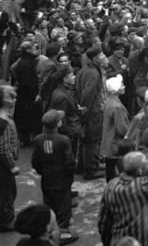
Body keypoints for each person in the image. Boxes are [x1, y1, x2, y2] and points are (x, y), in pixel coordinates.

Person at [31, 109, 78, 245]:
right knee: (64, 205)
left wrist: (43, 172)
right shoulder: (63, 140)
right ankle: (63, 233)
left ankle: (49, 231)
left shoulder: (38, 139)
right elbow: (69, 162)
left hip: (46, 177)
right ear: (58, 124)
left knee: (49, 203)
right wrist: (70, 174)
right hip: (62, 178)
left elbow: (35, 161)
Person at [76, 45, 108, 179]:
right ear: (95, 58)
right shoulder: (93, 73)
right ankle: (90, 169)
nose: (103, 57)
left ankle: (83, 165)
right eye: (101, 55)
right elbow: (87, 94)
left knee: (86, 140)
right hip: (92, 112)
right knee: (91, 140)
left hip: (88, 110)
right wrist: (85, 112)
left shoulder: (85, 69)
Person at [101, 75, 130, 181]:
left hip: (108, 141)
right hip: (115, 143)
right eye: (122, 85)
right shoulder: (117, 107)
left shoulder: (108, 101)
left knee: (109, 169)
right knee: (116, 172)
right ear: (116, 89)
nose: (124, 86)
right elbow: (121, 128)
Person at [0, 85, 18, 232]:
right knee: (8, 191)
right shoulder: (3, 122)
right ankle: (6, 221)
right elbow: (4, 148)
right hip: (3, 166)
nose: (14, 97)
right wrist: (12, 165)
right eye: (10, 96)